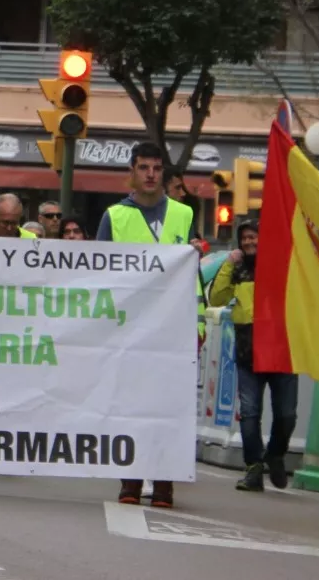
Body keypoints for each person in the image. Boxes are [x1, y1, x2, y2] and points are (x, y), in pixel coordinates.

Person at [98, 141, 198, 510]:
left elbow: (190, 271)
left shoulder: (184, 214)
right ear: (132, 171)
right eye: (144, 168)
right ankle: (131, 478)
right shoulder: (115, 216)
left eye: (156, 168)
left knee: (168, 406)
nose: (151, 174)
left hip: (173, 329)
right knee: (132, 406)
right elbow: (100, 274)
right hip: (130, 328)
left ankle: (164, 483)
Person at [208, 218, 298, 493]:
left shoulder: (284, 267)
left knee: (286, 415)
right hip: (249, 353)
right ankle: (253, 468)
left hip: (283, 351)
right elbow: (217, 298)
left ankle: (275, 454)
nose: (249, 242)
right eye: (245, 238)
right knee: (249, 414)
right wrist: (228, 265)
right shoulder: (237, 269)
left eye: (254, 237)